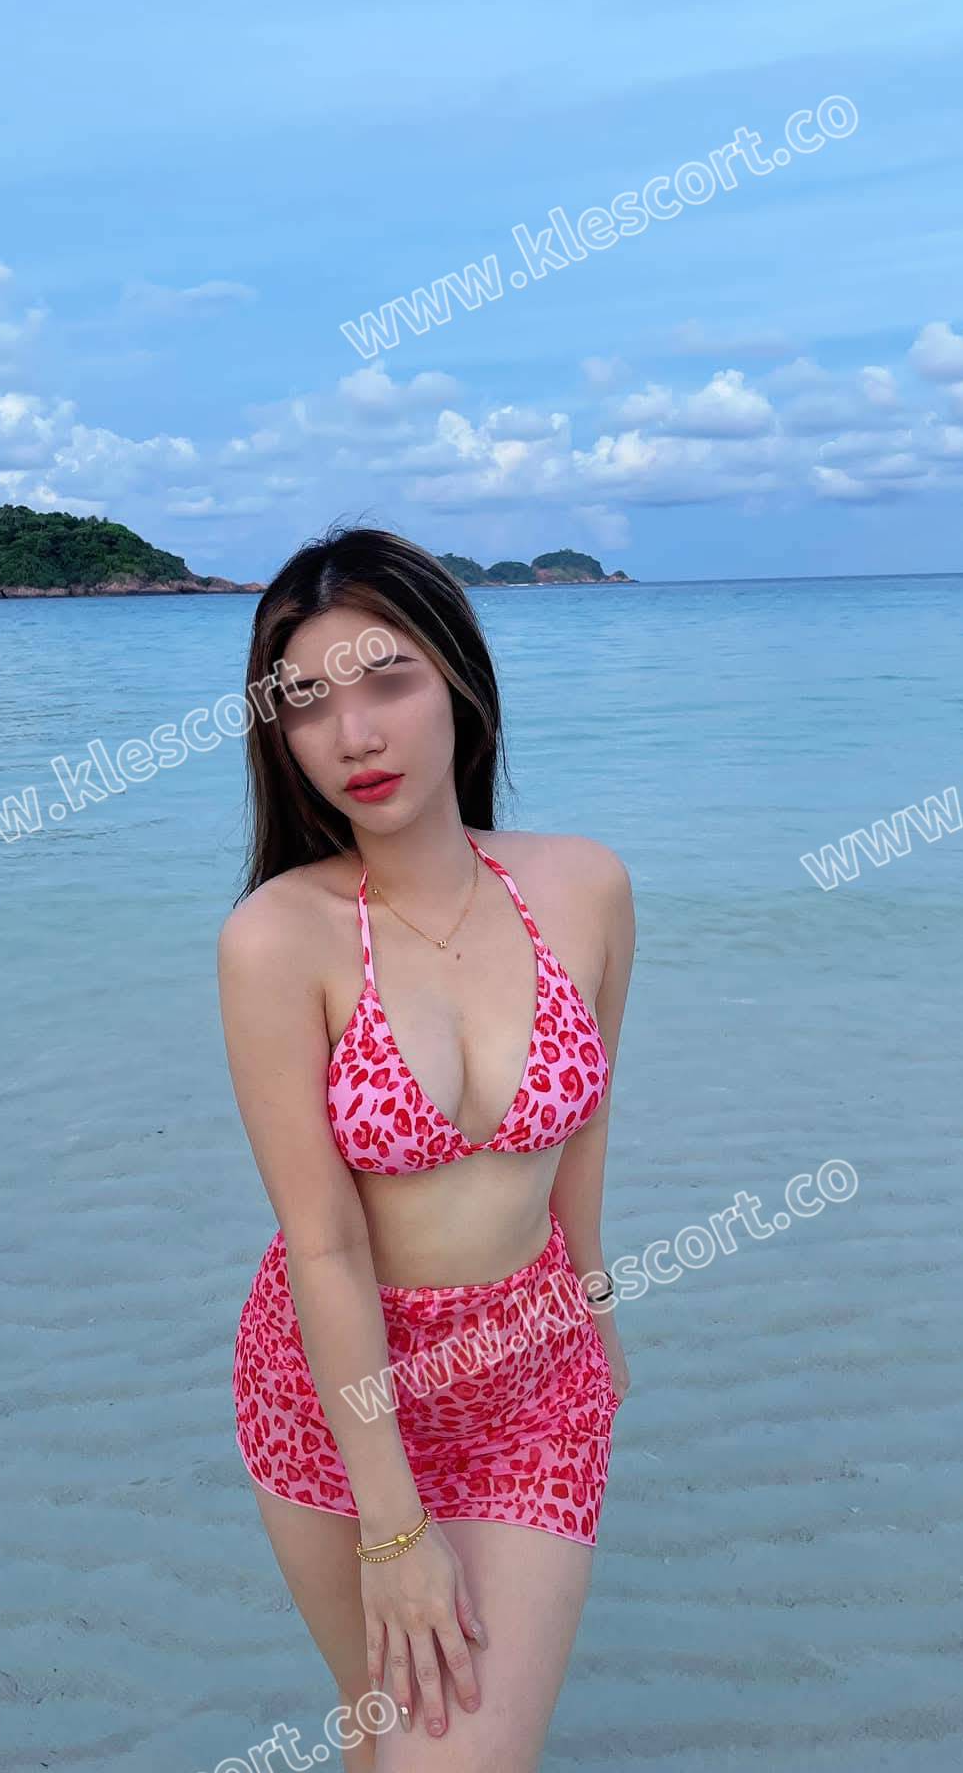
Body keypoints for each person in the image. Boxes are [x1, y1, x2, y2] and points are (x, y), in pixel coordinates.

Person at [218, 525, 636, 1771]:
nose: (354, 733)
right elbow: (325, 1241)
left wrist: (595, 1294)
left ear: (458, 674)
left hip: (534, 1378)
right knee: (384, 1739)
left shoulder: (585, 886)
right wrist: (393, 1528)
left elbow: (588, 1120)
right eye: (306, 701)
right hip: (337, 1392)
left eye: (387, 677)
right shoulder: (277, 938)